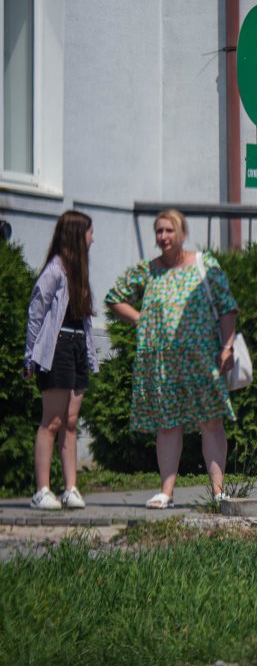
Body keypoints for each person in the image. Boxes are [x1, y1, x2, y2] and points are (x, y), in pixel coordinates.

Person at [105, 209, 238, 509]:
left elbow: (227, 306)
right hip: (161, 361)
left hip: (201, 359)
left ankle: (218, 492)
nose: (163, 237)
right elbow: (114, 297)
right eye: (159, 231)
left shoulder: (204, 265)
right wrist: (143, 320)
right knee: (166, 425)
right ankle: (166, 491)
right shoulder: (148, 270)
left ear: (182, 233)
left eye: (169, 230)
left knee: (211, 422)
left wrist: (227, 347)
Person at [23, 210, 99, 510]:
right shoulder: (55, 269)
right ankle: (42, 490)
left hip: (77, 345)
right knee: (52, 421)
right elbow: (36, 312)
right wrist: (30, 357)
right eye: (90, 232)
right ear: (77, 235)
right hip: (56, 350)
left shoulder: (79, 270)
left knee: (70, 421)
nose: (93, 238)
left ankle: (70, 488)